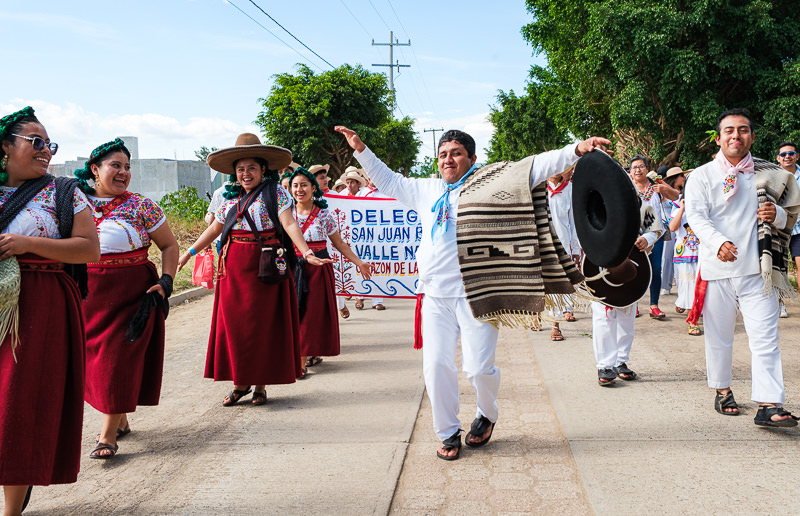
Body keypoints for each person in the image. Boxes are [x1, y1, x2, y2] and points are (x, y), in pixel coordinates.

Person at [336, 124, 610, 460]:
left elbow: (533, 167)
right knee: (436, 367)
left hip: (477, 293)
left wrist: (576, 150)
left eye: (455, 154)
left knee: (478, 369)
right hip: (435, 297)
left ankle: (487, 413)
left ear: (472, 158)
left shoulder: (491, 184)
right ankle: (448, 432)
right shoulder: (427, 189)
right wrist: (361, 149)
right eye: (442, 155)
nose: (447, 160)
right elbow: (389, 180)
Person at [177, 134, 330, 406]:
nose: (246, 174)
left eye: (251, 168)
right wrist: (188, 253)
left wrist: (306, 252)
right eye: (240, 169)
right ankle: (240, 383)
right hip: (233, 267)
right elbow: (214, 229)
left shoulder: (276, 193)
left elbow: (289, 224)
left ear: (263, 169)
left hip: (266, 266)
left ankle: (259, 385)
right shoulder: (228, 198)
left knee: (262, 327)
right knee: (236, 328)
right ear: (235, 173)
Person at [0, 107, 100, 514]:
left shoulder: (64, 191)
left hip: (39, 307)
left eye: (49, 144)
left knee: (18, 403)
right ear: (5, 146)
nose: (45, 151)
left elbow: (88, 248)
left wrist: (27, 245)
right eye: (35, 142)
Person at [684, 108, 800, 426]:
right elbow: (696, 215)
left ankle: (769, 404)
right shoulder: (702, 176)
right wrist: (717, 242)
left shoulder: (771, 175)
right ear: (719, 137)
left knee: (765, 338)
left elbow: (788, 216)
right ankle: (722, 391)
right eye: (730, 131)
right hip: (715, 270)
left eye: (744, 130)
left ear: (752, 135)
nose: (737, 136)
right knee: (720, 338)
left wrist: (774, 214)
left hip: (758, 270)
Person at [73, 138, 179, 460]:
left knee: (115, 361)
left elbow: (170, 246)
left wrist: (166, 281)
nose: (123, 173)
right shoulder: (76, 204)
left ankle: (107, 437)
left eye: (127, 167)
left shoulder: (142, 206)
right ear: (95, 169)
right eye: (115, 166)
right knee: (94, 362)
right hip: (88, 295)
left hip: (133, 295)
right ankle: (119, 421)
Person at [289, 167, 371, 370]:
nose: (300, 189)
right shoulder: (286, 214)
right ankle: (300, 354)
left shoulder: (324, 215)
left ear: (313, 188)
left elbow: (340, 244)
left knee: (312, 315)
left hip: (319, 268)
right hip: (293, 268)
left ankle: (303, 358)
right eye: (295, 185)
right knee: (293, 312)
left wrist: (359, 262)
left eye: (304, 185)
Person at [628, 155, 678, 319]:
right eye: (634, 167)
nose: (638, 170)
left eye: (641, 166)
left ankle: (654, 305)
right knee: (634, 270)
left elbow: (676, 196)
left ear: (647, 169)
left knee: (656, 270)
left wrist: (664, 189)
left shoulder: (656, 186)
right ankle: (633, 304)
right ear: (630, 171)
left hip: (656, 235)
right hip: (633, 237)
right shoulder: (628, 187)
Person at [665, 168, 701, 336]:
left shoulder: (703, 202)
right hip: (685, 252)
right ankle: (692, 320)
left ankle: (688, 307)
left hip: (702, 252)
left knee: (699, 286)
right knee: (688, 285)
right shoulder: (677, 203)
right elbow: (672, 227)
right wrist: (682, 208)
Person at [547, 166, 581, 341]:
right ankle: (536, 315)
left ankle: (555, 325)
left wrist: (575, 248)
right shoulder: (537, 188)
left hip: (563, 243)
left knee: (559, 285)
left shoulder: (570, 189)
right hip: (542, 244)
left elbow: (574, 221)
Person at [777, 141, 799, 318]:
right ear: (778, 158)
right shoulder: (773, 176)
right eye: (783, 154)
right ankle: (779, 303)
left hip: (799, 228)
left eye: (791, 153)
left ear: (796, 156)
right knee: (779, 267)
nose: (787, 157)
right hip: (779, 228)